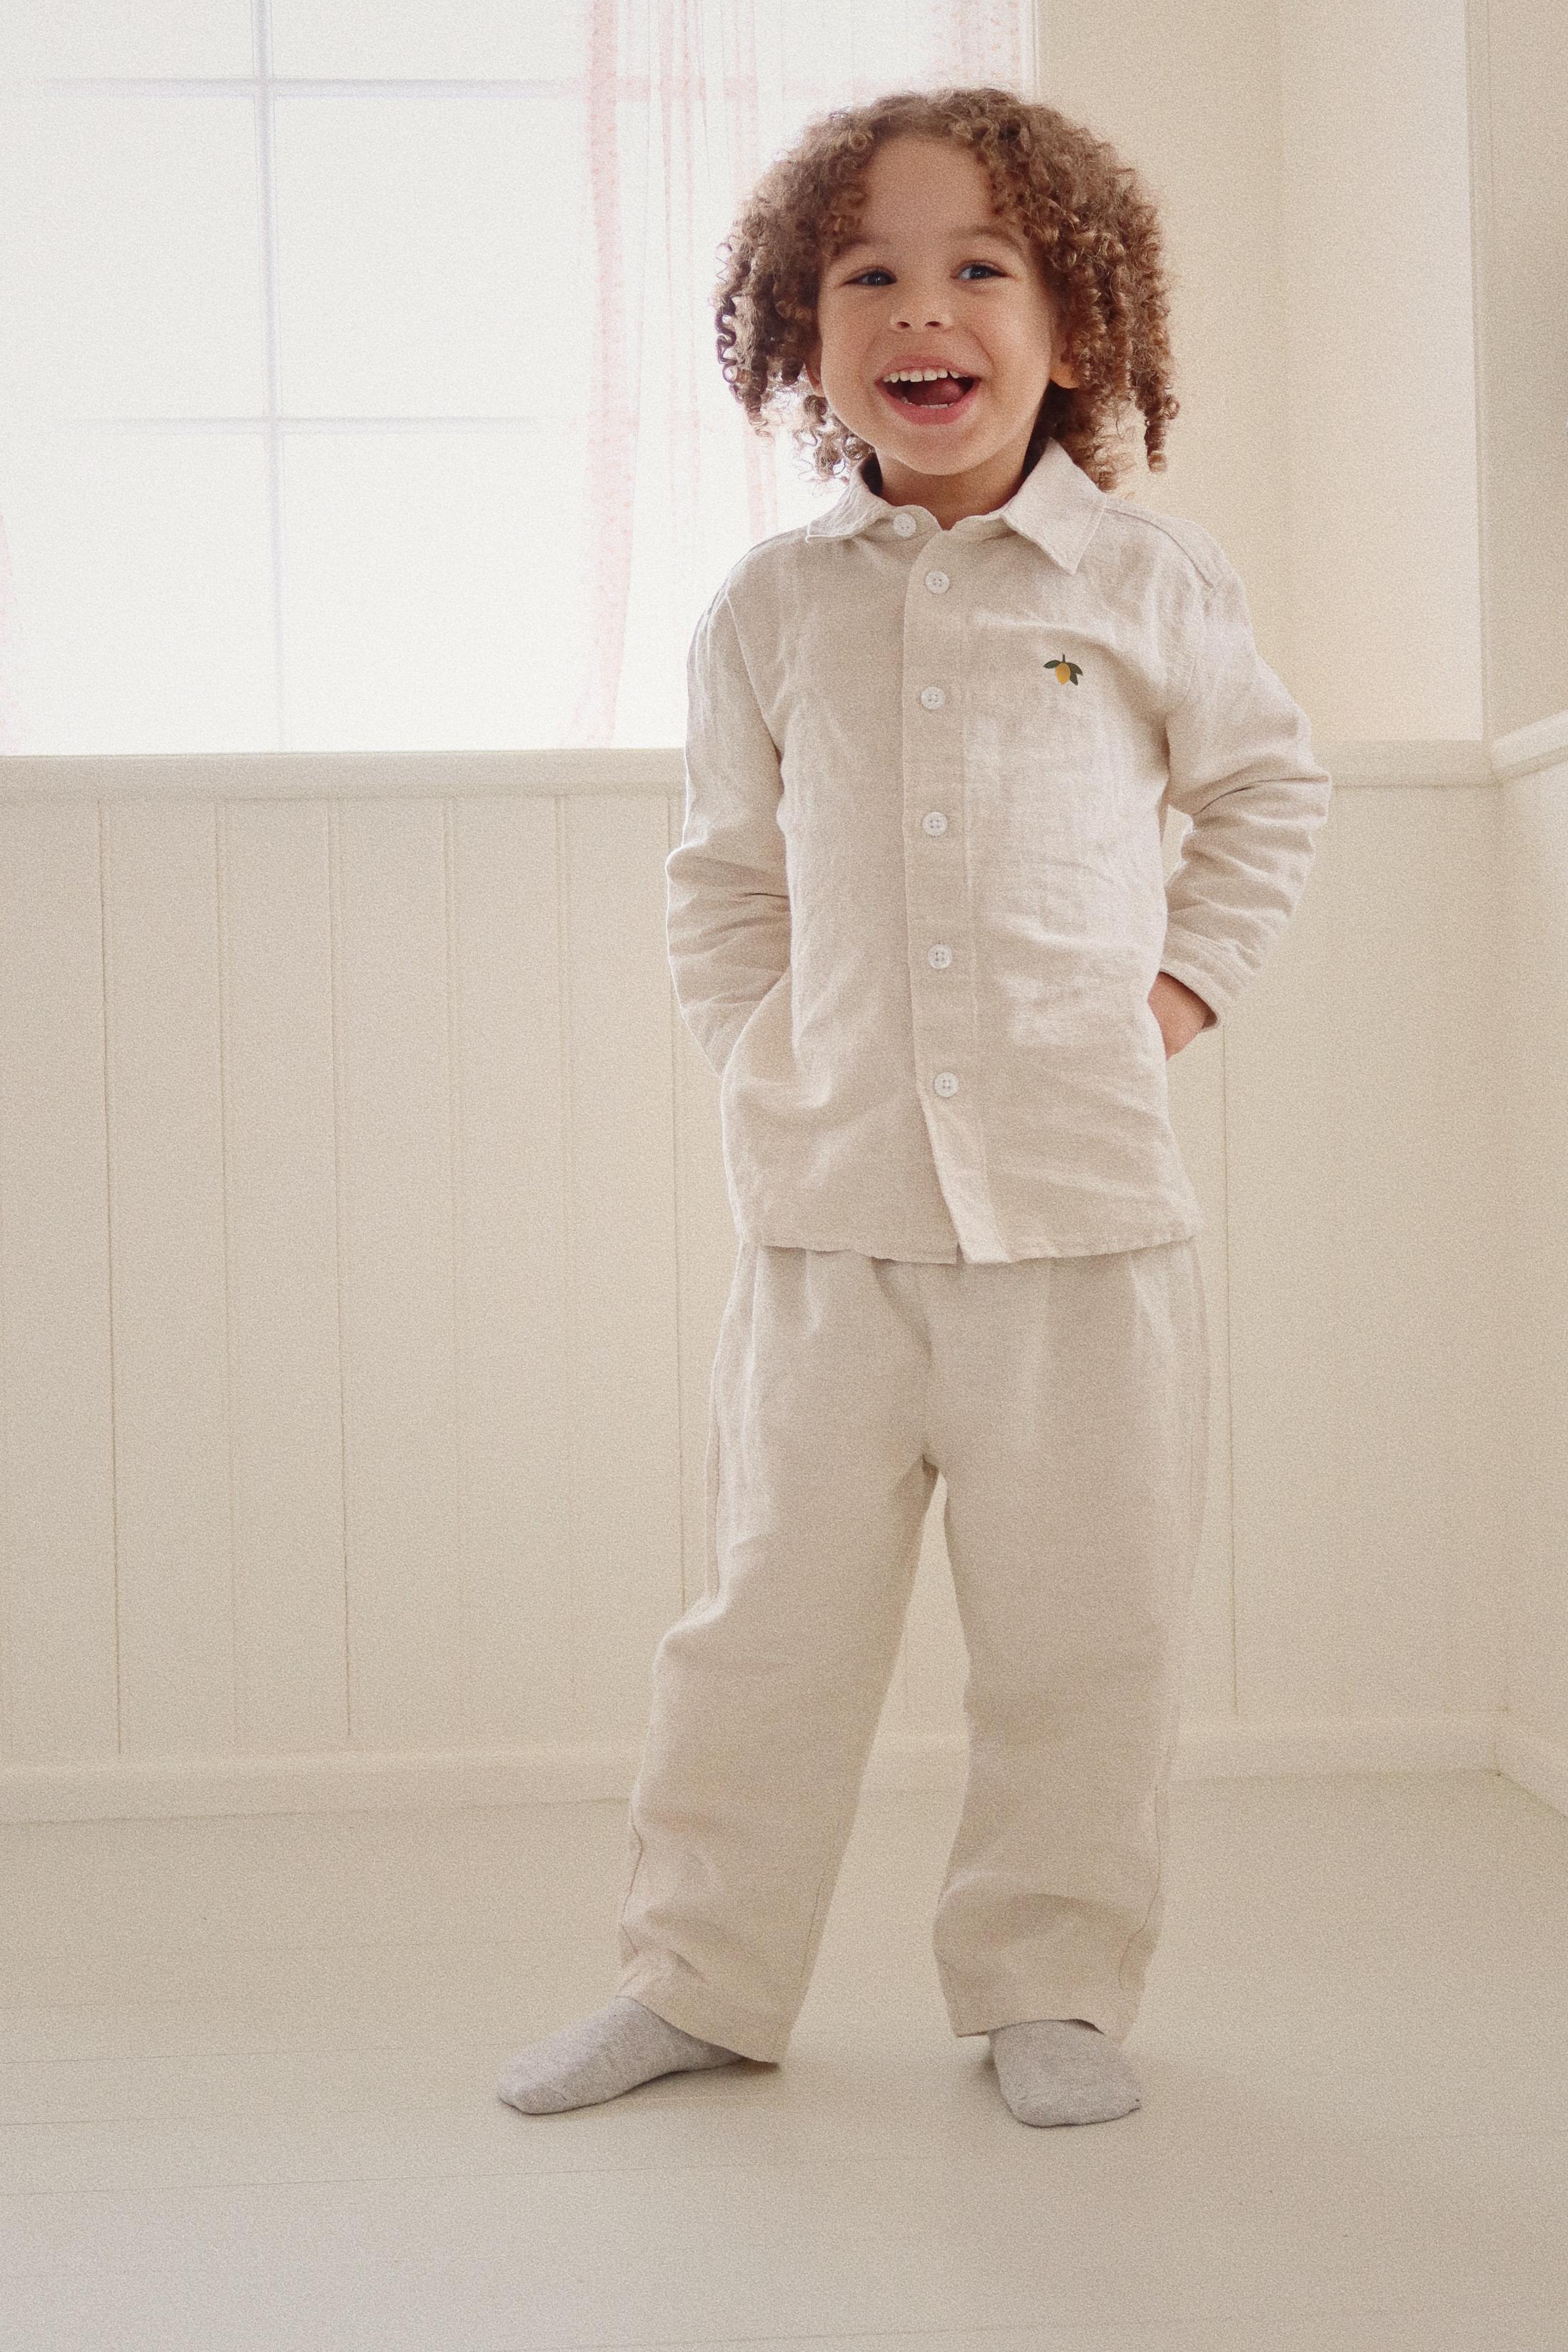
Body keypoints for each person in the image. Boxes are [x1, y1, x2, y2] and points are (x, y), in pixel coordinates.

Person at [498, 84, 1331, 2128]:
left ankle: (1051, 1988)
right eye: (867, 273)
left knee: (1083, 1639)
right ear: (805, 332)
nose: (922, 311)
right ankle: (698, 1978)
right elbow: (723, 882)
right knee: (760, 1632)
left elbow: (1266, 797)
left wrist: (1172, 995)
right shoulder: (771, 612)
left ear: (1074, 324)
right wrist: (770, 1052)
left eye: (980, 267)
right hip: (830, 1226)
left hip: (1083, 1223)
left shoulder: (1144, 581)